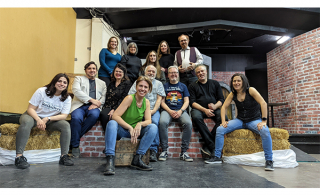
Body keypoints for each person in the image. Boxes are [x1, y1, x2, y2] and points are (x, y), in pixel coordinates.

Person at [207, 73, 274, 171]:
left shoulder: (251, 90)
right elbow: (224, 107)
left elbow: (263, 103)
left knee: (265, 131)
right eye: (234, 81)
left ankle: (269, 160)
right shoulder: (233, 93)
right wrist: (223, 121)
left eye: (239, 80)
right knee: (220, 129)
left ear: (243, 81)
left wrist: (264, 121)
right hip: (240, 120)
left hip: (254, 120)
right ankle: (217, 157)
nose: (236, 83)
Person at [15, 73, 73, 169]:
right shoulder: (42, 91)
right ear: (54, 82)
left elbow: (64, 116)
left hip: (49, 120)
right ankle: (19, 157)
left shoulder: (67, 98)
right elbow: (30, 109)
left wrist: (47, 119)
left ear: (67, 85)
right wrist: (38, 120)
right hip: (32, 116)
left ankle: (64, 156)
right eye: (59, 81)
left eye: (65, 82)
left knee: (65, 125)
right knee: (26, 123)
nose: (62, 84)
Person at [103, 76, 157, 175]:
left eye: (146, 87)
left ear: (149, 89)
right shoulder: (129, 98)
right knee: (111, 123)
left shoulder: (147, 102)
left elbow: (149, 120)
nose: (143, 89)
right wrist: (130, 127)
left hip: (136, 132)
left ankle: (137, 158)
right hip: (123, 130)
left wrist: (140, 124)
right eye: (140, 86)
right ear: (136, 87)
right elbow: (115, 116)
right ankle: (110, 159)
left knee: (153, 127)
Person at [128, 65, 166, 162]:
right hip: (140, 109)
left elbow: (159, 100)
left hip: (154, 109)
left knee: (154, 122)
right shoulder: (138, 82)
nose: (151, 73)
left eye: (153, 72)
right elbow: (130, 95)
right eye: (149, 71)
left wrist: (152, 111)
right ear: (145, 72)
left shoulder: (159, 84)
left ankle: (153, 150)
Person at [188, 65, 227, 160]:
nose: (201, 73)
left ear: (206, 72)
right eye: (198, 72)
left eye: (202, 71)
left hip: (214, 109)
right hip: (199, 109)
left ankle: (207, 144)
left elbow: (221, 99)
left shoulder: (215, 83)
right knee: (196, 117)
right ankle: (212, 146)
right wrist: (205, 110)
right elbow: (192, 102)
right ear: (196, 74)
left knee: (224, 118)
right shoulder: (192, 85)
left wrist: (215, 106)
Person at [70, 61, 107, 158]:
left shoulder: (102, 83)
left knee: (94, 115)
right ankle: (75, 146)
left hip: (94, 107)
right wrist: (92, 100)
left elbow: (103, 96)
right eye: (89, 68)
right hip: (79, 105)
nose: (92, 70)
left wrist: (97, 104)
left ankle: (74, 139)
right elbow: (76, 91)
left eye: (94, 68)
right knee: (76, 118)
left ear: (96, 71)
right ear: (85, 70)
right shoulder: (79, 79)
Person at [158, 66, 193, 162]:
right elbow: (162, 102)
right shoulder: (164, 86)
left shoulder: (183, 86)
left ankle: (184, 152)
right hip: (167, 110)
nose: (173, 74)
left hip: (180, 110)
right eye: (171, 73)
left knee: (189, 123)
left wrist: (181, 111)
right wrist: (170, 111)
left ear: (178, 74)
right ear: (168, 75)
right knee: (162, 122)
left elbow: (187, 101)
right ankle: (164, 150)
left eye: (175, 72)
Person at [99, 63, 132, 131]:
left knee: (109, 117)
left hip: (120, 106)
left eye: (120, 72)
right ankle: (107, 134)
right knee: (103, 114)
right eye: (116, 71)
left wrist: (114, 109)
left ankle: (113, 135)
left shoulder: (127, 83)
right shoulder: (111, 83)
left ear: (124, 73)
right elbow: (107, 96)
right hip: (109, 105)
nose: (118, 73)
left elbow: (123, 98)